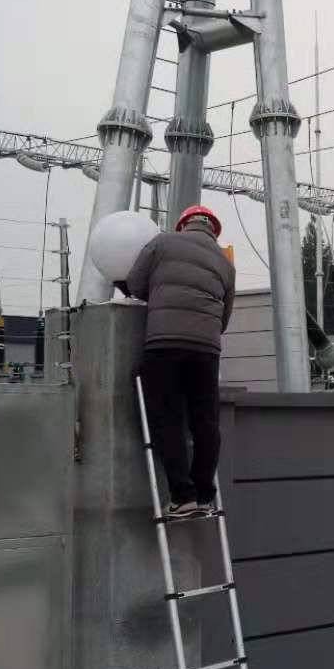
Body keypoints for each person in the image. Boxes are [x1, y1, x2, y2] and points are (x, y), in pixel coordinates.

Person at [125, 203, 236, 520]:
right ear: (213, 231)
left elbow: (135, 284)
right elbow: (224, 317)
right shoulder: (225, 263)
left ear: (183, 224)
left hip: (165, 342)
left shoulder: (162, 242)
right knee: (205, 421)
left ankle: (182, 497)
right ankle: (204, 495)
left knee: (167, 417)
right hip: (207, 350)